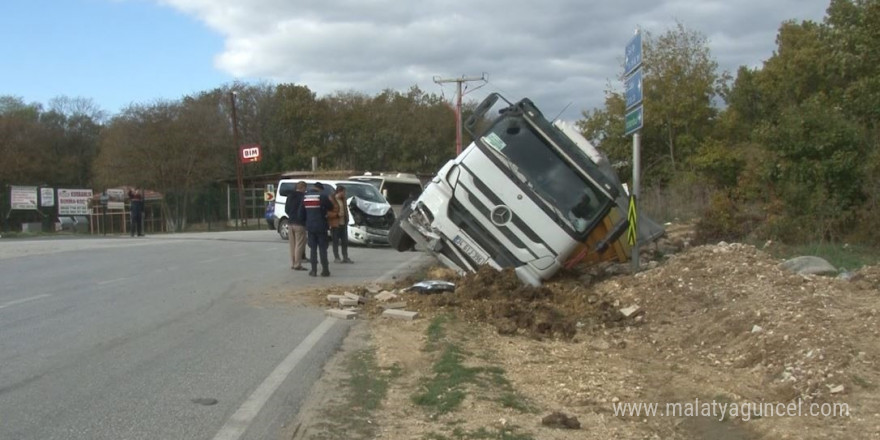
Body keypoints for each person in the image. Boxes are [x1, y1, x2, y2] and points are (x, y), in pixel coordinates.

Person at [298, 182, 334, 277]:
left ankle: (313, 271)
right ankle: (325, 270)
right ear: (320, 189)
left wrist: (306, 222)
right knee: (323, 249)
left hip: (310, 227)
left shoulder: (305, 197)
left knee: (312, 249)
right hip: (322, 226)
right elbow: (331, 207)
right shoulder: (322, 196)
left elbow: (300, 214)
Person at [285, 181, 308, 271]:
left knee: (292, 244)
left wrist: (291, 215)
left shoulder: (290, 196)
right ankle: (298, 264)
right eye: (305, 188)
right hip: (299, 223)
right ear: (303, 188)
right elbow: (304, 210)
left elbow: (286, 209)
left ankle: (293, 263)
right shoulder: (303, 197)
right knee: (299, 244)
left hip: (290, 222)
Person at [328, 185, 353, 263]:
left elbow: (345, 209)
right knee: (335, 241)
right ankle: (337, 257)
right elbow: (328, 212)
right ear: (339, 192)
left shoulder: (343, 199)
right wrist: (336, 215)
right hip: (335, 223)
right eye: (344, 192)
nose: (345, 194)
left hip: (343, 223)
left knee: (344, 241)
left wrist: (347, 218)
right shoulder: (331, 199)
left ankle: (345, 257)